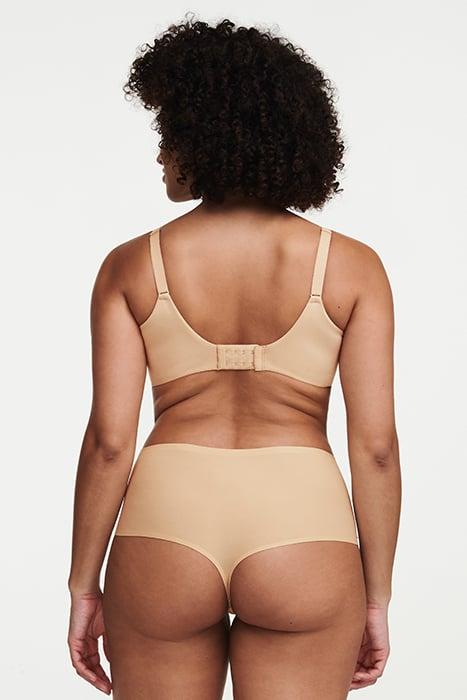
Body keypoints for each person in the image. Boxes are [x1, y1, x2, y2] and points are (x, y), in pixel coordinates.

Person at [67, 16, 401, 699]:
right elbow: (375, 449)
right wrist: (376, 597)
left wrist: (82, 585)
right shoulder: (352, 267)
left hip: (166, 528)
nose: (160, 154)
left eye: (169, 133)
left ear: (206, 136)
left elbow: (108, 443)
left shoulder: (130, 266)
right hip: (303, 530)